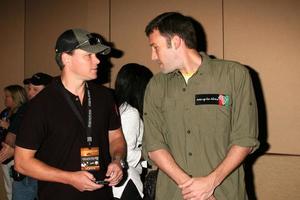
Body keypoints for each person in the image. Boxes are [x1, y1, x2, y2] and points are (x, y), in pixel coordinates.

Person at [142, 12, 260, 200]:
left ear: (176, 41)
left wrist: (211, 182)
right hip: (173, 194)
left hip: (224, 194)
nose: (152, 56)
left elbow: (245, 139)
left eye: (155, 47)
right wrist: (193, 190)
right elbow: (154, 145)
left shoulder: (234, 75)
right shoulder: (156, 86)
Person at [14, 28, 127, 200]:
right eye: (88, 56)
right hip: (59, 195)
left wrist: (118, 161)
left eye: (96, 55)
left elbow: (116, 138)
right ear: (66, 58)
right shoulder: (41, 104)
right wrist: (69, 178)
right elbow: (22, 163)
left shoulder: (105, 96)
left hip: (102, 195)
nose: (97, 61)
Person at [9, 72, 53, 200]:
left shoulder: (56, 111)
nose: (30, 93)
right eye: (29, 88)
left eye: (35, 89)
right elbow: (11, 136)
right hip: (24, 174)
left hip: (48, 172)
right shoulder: (25, 109)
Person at [113, 63, 153, 200]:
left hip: (119, 184)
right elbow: (126, 154)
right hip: (127, 182)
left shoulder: (118, 109)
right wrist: (149, 154)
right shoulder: (131, 113)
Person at [0, 85, 28, 200]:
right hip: (4, 156)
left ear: (16, 98)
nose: (5, 99)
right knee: (8, 188)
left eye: (8, 96)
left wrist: (8, 127)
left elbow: (27, 135)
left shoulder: (23, 113)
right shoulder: (5, 112)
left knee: (18, 189)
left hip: (16, 157)